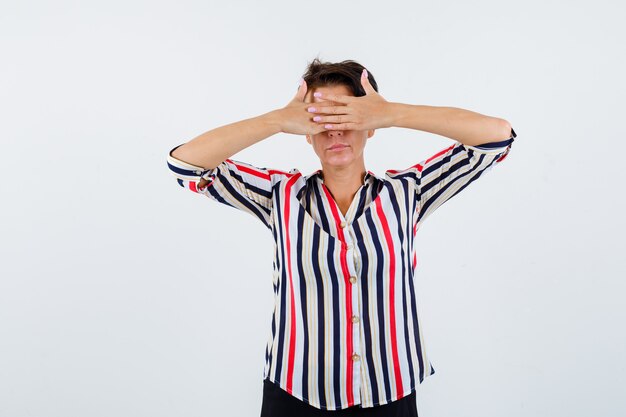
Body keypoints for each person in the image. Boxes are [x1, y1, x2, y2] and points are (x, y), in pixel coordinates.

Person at [166, 58, 517, 417]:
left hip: (390, 391)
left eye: (347, 118)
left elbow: (497, 137)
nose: (335, 132)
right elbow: (186, 164)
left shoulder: (409, 192)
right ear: (305, 130)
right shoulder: (279, 195)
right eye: (321, 120)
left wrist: (392, 113)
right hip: (296, 393)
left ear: (370, 126)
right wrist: (275, 120)